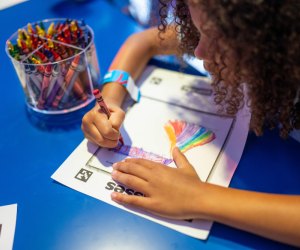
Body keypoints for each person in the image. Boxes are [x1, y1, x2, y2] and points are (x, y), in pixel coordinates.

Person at [81, 0, 300, 246]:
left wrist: (199, 198)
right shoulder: (225, 17)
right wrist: (111, 98)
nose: (198, 51)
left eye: (213, 37)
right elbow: (144, 41)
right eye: (199, 31)